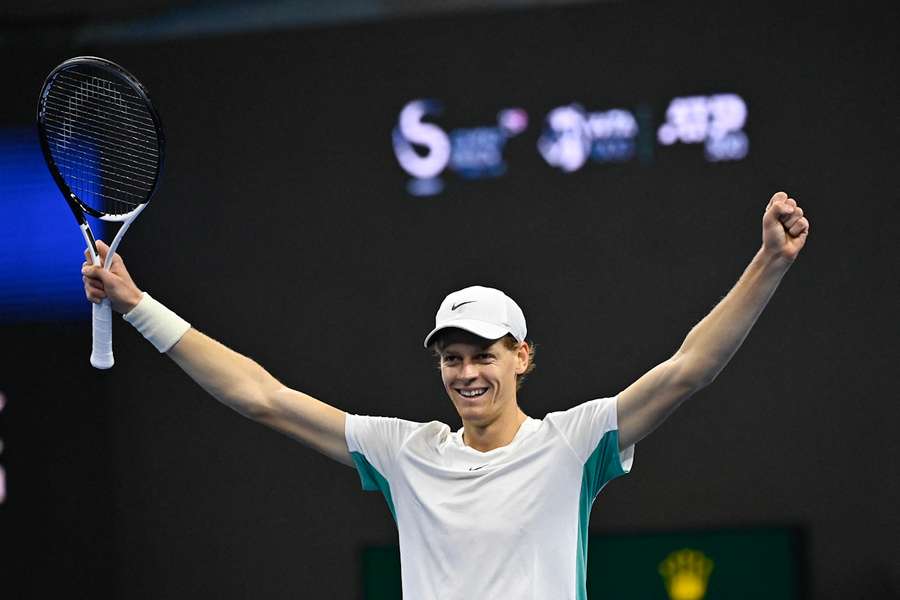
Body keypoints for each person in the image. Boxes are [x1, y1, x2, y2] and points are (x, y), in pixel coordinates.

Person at [81, 191, 809, 599]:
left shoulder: (575, 443)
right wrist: (138, 304)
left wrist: (769, 263)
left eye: (484, 355)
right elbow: (261, 396)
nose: (467, 373)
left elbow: (689, 368)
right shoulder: (404, 451)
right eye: (452, 358)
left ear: (522, 358)